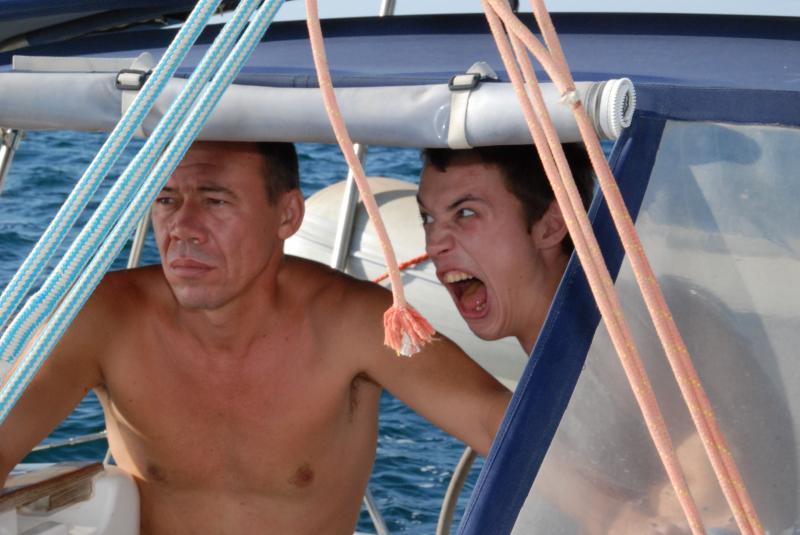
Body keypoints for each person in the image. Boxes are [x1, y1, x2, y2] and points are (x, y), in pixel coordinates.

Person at [0, 141, 511, 535]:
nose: (183, 227)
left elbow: (498, 425)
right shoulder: (104, 317)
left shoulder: (353, 322)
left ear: (287, 215)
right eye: (167, 199)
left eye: (215, 201)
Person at [417, 144, 594, 355]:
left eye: (465, 213)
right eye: (427, 217)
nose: (433, 246)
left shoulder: (614, 365)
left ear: (551, 226)